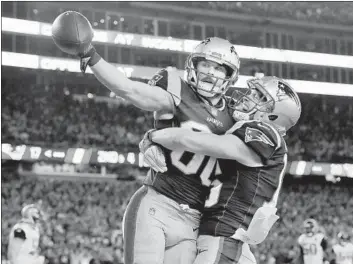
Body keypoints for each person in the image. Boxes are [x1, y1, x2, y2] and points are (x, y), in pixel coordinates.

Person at [54, 16, 240, 264]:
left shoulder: (236, 116)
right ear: (193, 66)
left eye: (219, 68)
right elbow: (131, 90)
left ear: (230, 76)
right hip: (157, 206)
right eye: (205, 64)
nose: (210, 72)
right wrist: (91, 55)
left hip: (196, 221)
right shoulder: (177, 92)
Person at [140, 76, 301, 263]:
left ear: (273, 115)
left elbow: (199, 141)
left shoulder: (265, 131)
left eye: (259, 97)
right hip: (229, 239)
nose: (249, 96)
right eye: (253, 92)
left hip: (225, 238)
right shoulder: (250, 133)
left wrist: (154, 135)